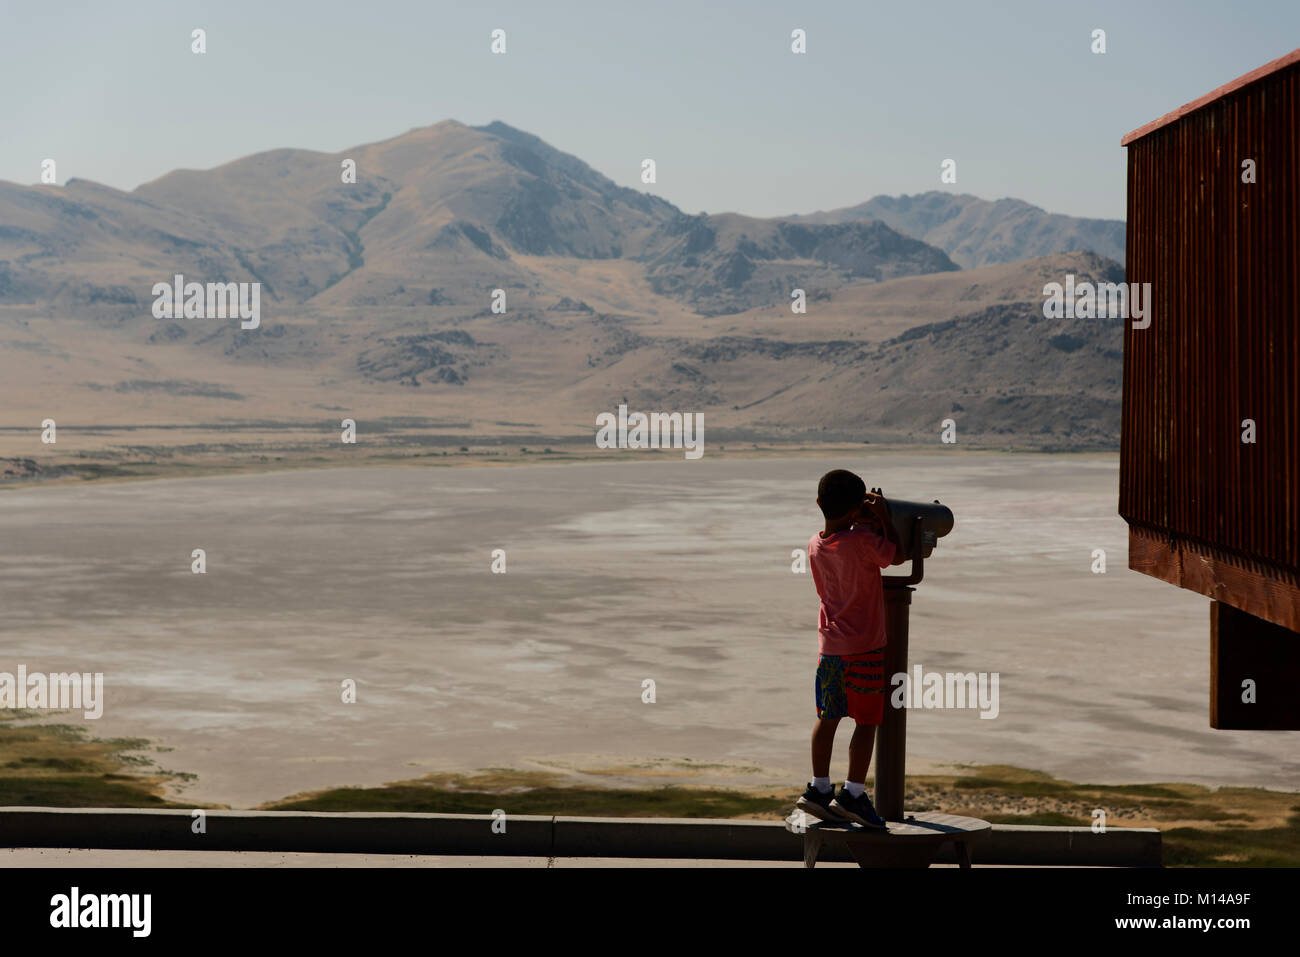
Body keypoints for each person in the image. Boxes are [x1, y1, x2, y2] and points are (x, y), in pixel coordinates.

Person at [794, 469, 904, 828]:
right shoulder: (863, 542)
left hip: (831, 648)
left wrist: (860, 520)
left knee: (827, 717)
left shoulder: (813, 543)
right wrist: (884, 519)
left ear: (818, 504)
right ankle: (854, 793)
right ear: (857, 509)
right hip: (866, 649)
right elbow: (896, 557)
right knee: (867, 720)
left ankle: (819, 788)